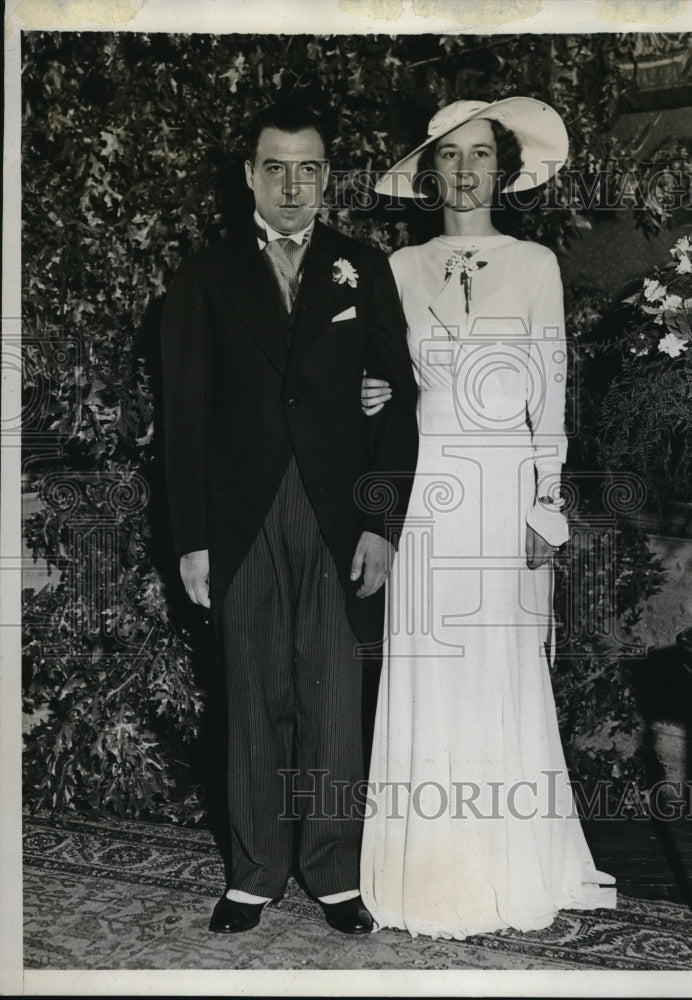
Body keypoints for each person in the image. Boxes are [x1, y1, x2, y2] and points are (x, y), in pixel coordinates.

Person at [358, 98, 617, 939]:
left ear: (501, 170)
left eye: (480, 155)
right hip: (428, 492)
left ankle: (509, 866)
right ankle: (427, 876)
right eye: (449, 156)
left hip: (504, 488)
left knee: (501, 663)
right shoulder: (395, 268)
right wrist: (372, 395)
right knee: (429, 664)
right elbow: (381, 383)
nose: (465, 171)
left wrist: (546, 512)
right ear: (430, 171)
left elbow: (551, 394)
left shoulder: (535, 263)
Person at [161, 102, 419, 936]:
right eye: (276, 167)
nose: (293, 185)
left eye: (309, 168)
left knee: (336, 693)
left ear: (327, 176)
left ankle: (334, 872)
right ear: (250, 175)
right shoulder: (203, 277)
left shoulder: (362, 266)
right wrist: (193, 539)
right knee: (251, 691)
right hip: (240, 516)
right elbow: (184, 414)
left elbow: (394, 401)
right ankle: (254, 871)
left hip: (338, 513)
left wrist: (382, 525)